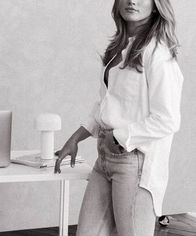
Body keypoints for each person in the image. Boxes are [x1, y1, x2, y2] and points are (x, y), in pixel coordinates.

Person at [54, 0, 184, 235]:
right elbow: (106, 105)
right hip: (104, 158)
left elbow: (168, 119)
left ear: (156, 5)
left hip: (134, 160)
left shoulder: (158, 53)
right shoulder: (120, 48)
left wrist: (118, 138)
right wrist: (75, 138)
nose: (132, 1)